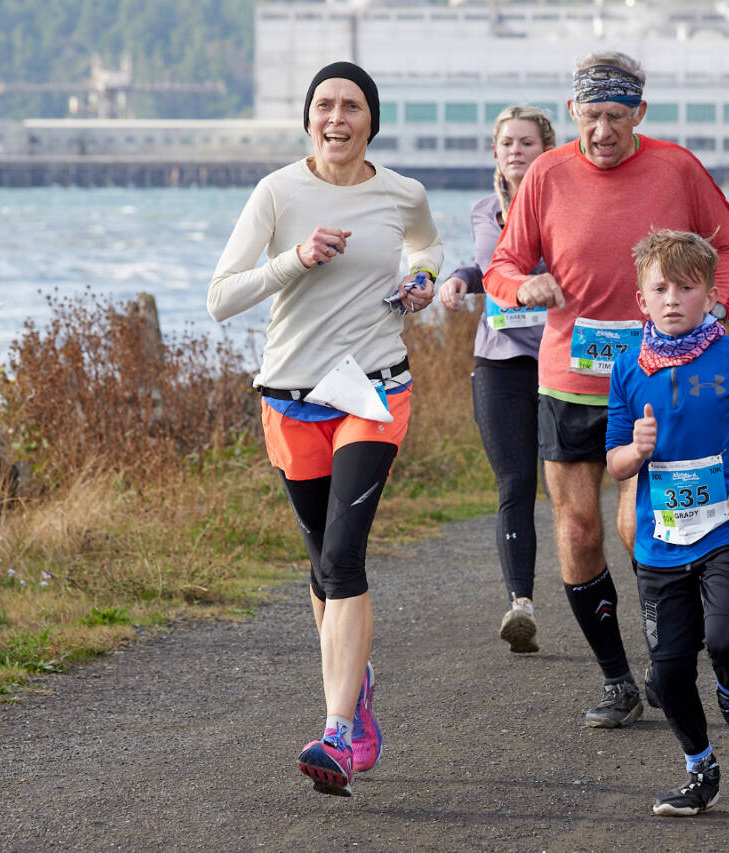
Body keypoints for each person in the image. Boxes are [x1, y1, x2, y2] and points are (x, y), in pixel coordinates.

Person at [484, 51, 729, 728]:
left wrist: (714, 313)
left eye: (616, 115)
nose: (602, 130)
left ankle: (669, 662)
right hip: (568, 380)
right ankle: (616, 679)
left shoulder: (676, 167)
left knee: (643, 526)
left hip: (656, 377)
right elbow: (503, 267)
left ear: (640, 113)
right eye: (591, 115)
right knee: (577, 530)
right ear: (571, 112)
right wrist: (525, 286)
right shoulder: (545, 174)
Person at [207, 61, 442, 797]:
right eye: (323, 106)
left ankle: (337, 731)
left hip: (373, 393)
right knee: (320, 568)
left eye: (350, 106)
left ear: (371, 118)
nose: (336, 118)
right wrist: (295, 260)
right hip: (290, 397)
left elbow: (425, 246)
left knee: (344, 560)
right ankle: (356, 686)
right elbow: (221, 297)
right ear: (308, 118)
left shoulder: (402, 192)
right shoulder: (278, 192)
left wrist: (424, 282)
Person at [605, 229, 729, 816]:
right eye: (659, 288)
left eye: (686, 288)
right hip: (661, 539)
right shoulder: (626, 369)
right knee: (667, 677)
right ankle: (700, 768)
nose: (672, 299)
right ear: (640, 300)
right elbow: (612, 459)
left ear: (710, 294)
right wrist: (635, 453)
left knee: (725, 638)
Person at [438, 105, 557, 653]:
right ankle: (520, 607)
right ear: (495, 152)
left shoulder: (567, 204)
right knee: (514, 484)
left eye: (526, 142)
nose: (515, 150)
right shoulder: (484, 209)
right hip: (499, 361)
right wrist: (460, 280)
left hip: (563, 360)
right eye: (506, 142)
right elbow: (488, 268)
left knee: (569, 490)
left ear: (547, 150)